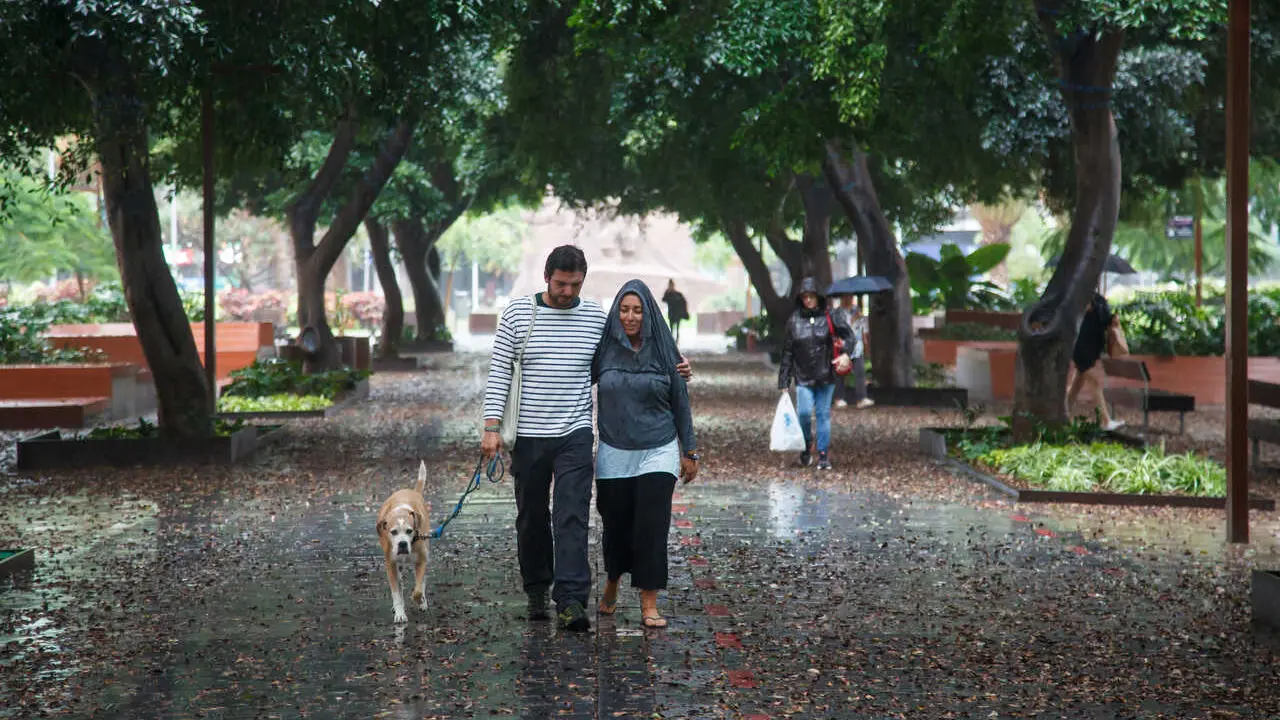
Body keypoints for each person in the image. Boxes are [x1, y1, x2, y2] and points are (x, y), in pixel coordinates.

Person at [480, 246, 691, 632]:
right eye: (561, 284)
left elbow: (627, 352)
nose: (567, 292)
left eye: (575, 285)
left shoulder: (595, 318)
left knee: (573, 516)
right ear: (546, 277)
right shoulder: (517, 314)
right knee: (531, 517)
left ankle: (571, 600)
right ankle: (536, 589)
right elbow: (499, 373)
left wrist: (675, 367)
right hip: (528, 434)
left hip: (575, 433)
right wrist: (491, 427)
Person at [593, 280, 698, 629]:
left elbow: (680, 402)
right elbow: (572, 382)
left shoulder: (666, 351)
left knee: (651, 527)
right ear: (615, 312)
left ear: (649, 313)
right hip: (614, 451)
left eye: (637, 310)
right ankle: (612, 581)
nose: (630, 317)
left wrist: (690, 450)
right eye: (624, 309)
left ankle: (649, 603)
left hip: (658, 448)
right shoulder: (604, 350)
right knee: (616, 526)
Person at [777, 278, 856, 470]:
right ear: (800, 299)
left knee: (823, 415)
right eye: (805, 297)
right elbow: (787, 352)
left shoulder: (831, 316)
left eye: (812, 296)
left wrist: (846, 354)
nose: (809, 300)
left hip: (825, 375)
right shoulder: (794, 321)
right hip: (803, 377)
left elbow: (850, 337)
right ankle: (806, 443)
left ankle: (823, 454)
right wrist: (784, 381)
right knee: (804, 413)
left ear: (818, 297)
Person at [1067, 291, 1125, 431]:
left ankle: (1063, 412)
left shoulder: (1098, 298)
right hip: (1081, 345)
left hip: (1093, 346)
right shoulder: (1078, 295)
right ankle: (1106, 421)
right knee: (1094, 382)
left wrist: (1113, 320)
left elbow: (1104, 319)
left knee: (1077, 383)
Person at [832, 295, 873, 410]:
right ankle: (839, 398)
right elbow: (839, 329)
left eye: (850, 296)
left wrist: (865, 342)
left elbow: (862, 328)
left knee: (860, 371)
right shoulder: (837, 313)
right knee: (840, 372)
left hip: (857, 346)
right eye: (846, 296)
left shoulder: (857, 310)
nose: (848, 299)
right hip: (843, 345)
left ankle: (861, 398)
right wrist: (852, 321)